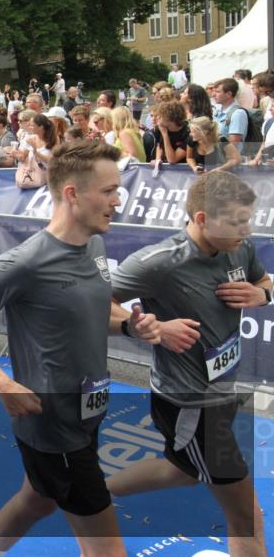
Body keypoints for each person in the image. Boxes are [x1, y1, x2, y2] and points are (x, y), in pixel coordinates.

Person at [0, 140, 160, 557]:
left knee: (38, 499)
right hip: (53, 426)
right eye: (109, 191)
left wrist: (131, 327)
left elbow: (97, 312)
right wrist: (1, 382)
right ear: (72, 194)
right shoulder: (24, 263)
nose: (118, 201)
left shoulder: (94, 246)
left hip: (88, 413)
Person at [109, 171, 271, 556]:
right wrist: (150, 328)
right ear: (202, 219)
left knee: (181, 471)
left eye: (248, 219)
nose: (246, 230)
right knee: (247, 516)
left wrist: (261, 295)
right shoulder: (159, 262)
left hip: (219, 393)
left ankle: (90, 494)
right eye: (236, 222)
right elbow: (92, 304)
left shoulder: (239, 248)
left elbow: (266, 281)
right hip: (190, 404)